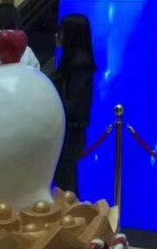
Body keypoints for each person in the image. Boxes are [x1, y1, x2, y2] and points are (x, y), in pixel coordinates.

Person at [51, 13, 96, 197]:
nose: (57, 35)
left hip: (70, 134)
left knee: (66, 186)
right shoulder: (72, 64)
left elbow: (76, 106)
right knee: (65, 183)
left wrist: (50, 99)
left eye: (61, 31)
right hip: (69, 133)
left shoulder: (79, 67)